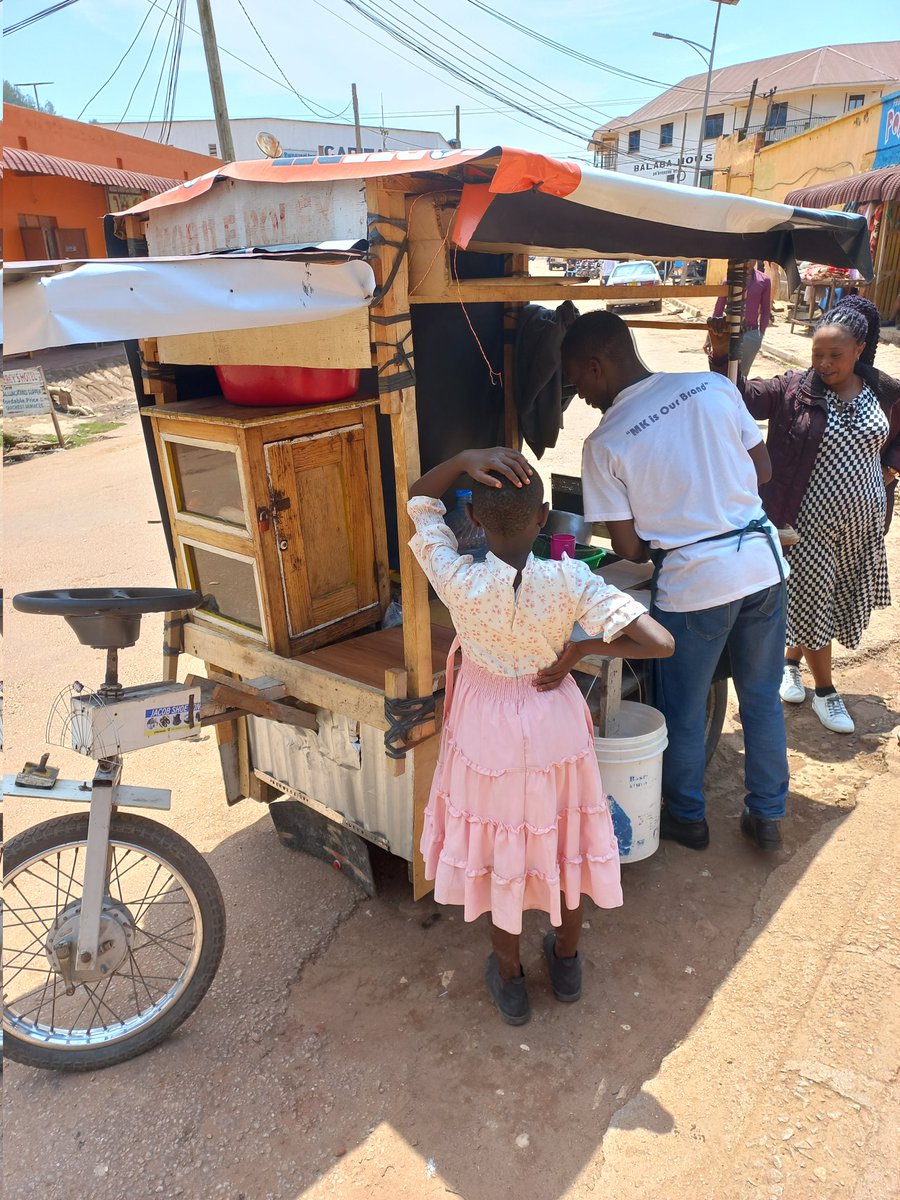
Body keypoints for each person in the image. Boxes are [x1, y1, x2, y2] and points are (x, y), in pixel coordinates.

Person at [407, 447, 673, 1025]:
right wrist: (581, 647)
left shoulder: (456, 577)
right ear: (544, 517)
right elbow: (659, 642)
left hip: (485, 732)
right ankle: (568, 962)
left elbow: (420, 501)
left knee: (506, 848)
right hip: (553, 714)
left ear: (473, 519)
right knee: (564, 844)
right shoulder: (571, 578)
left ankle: (510, 978)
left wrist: (464, 459)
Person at [562, 310, 790, 854]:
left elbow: (630, 549)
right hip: (762, 565)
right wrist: (710, 493)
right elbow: (762, 472)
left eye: (577, 381)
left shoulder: (606, 441)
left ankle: (688, 819)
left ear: (597, 366)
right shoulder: (711, 385)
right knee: (760, 698)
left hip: (696, 587)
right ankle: (768, 817)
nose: (580, 396)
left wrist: (669, 513)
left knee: (683, 710)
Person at [706, 295, 900, 734]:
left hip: (863, 524)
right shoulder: (794, 389)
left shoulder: (882, 390)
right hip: (805, 524)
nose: (825, 363)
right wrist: (722, 356)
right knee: (813, 602)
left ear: (859, 349)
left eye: (835, 355)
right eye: (817, 354)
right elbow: (740, 397)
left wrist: (893, 463)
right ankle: (827, 693)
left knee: (828, 601)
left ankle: (790, 665)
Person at [712, 260, 771, 376]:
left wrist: (760, 335)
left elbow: (765, 310)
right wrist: (710, 337)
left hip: (750, 333)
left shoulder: (764, 281)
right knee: (723, 372)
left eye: (752, 258)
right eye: (745, 258)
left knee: (742, 374)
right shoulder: (728, 281)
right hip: (728, 332)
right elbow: (718, 309)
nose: (748, 261)